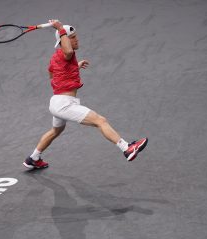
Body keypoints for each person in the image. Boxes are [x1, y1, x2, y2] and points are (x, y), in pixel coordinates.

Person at [23, 19, 148, 169]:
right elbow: (68, 51)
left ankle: (33, 158)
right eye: (73, 37)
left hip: (56, 102)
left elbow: (53, 74)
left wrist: (74, 67)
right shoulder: (66, 52)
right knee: (100, 121)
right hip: (64, 104)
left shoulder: (56, 57)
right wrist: (60, 28)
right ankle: (127, 148)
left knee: (56, 130)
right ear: (64, 40)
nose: (77, 39)